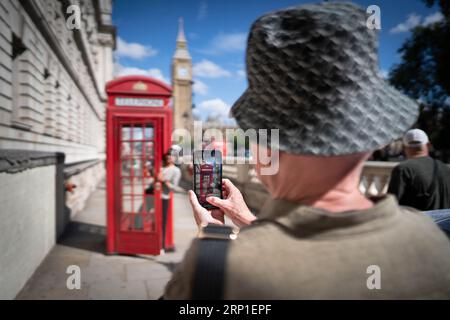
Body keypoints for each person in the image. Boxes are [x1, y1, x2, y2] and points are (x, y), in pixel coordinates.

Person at [164, 2, 450, 299]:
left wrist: (214, 240)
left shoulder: (217, 271)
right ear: (369, 138)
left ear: (266, 144)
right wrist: (250, 221)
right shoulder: (432, 242)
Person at [388, 129, 450, 211]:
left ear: (404, 147)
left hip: (419, 223)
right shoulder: (445, 168)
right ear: (428, 145)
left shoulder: (403, 169)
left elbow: (392, 206)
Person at [159, 152, 182, 252]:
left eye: (170, 158)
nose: (169, 160)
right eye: (167, 158)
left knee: (163, 222)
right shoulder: (162, 168)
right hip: (154, 197)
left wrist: (164, 181)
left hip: (164, 197)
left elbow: (174, 187)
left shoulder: (176, 171)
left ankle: (163, 244)